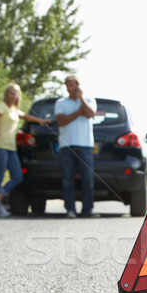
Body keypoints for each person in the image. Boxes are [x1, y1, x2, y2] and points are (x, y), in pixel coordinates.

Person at [0, 83, 51, 218]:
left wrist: (41, 121)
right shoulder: (2, 106)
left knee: (17, 176)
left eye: (16, 93)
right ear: (6, 94)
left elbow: (26, 117)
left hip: (11, 148)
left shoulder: (14, 109)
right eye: (11, 92)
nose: (13, 95)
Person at [54, 76, 97, 218]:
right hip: (66, 145)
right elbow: (60, 121)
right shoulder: (61, 102)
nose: (69, 88)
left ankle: (87, 209)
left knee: (88, 178)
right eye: (67, 85)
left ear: (78, 86)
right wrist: (78, 113)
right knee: (67, 178)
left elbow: (90, 114)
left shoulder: (89, 100)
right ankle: (70, 210)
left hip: (85, 145)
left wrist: (81, 99)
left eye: (72, 85)